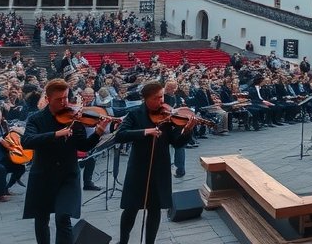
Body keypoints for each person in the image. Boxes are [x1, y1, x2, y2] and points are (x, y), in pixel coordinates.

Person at [22, 79, 110, 244]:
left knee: (63, 216)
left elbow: (84, 145)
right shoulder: (36, 118)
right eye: (59, 99)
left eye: (66, 98)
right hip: (43, 175)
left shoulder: (74, 119)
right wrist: (56, 134)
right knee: (41, 219)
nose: (64, 103)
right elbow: (27, 141)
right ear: (48, 99)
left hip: (68, 175)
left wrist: (98, 131)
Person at [115, 81, 197, 244]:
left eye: (162, 96)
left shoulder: (167, 117)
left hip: (160, 168)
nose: (161, 101)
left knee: (155, 208)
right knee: (131, 208)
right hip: (138, 168)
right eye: (157, 98)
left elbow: (176, 142)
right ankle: (123, 240)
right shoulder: (135, 114)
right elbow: (121, 135)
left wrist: (187, 131)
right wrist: (146, 131)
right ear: (146, 99)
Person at [0, 108, 27, 201]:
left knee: (20, 167)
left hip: (2, 155)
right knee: (1, 169)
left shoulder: (3, 125)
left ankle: (7, 188)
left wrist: (16, 129)